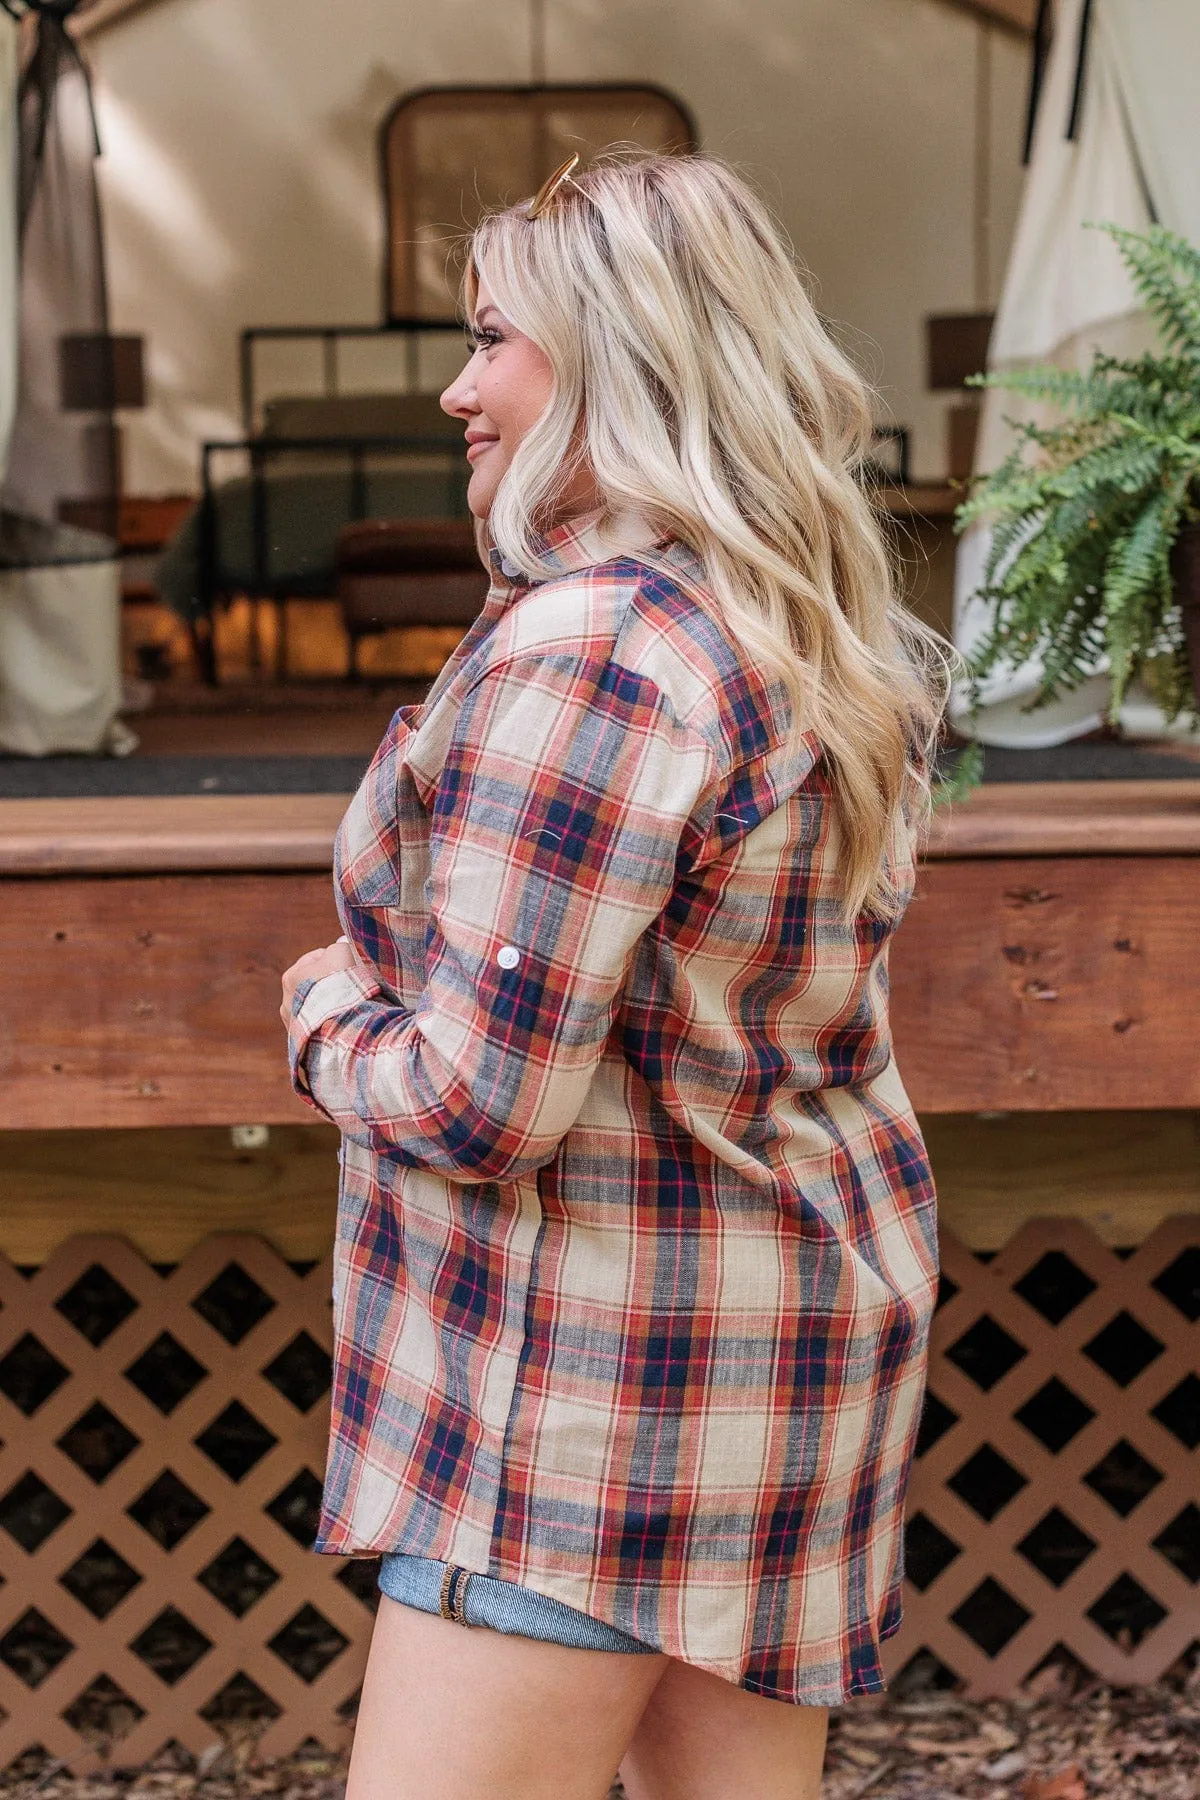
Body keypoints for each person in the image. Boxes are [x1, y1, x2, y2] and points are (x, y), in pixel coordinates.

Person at [280, 150, 947, 1800]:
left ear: (618, 354)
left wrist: (316, 1013)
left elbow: (472, 1099)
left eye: (493, 339)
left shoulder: (600, 649)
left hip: (581, 1397)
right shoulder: (792, 627)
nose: (456, 388)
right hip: (779, 1354)